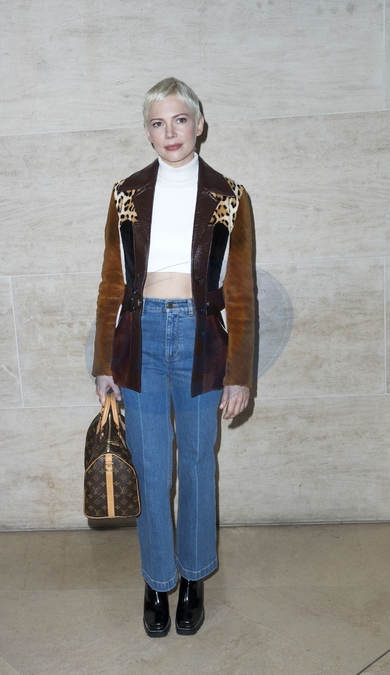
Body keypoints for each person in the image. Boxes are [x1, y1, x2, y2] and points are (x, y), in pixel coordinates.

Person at [92, 77, 255, 637]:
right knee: (151, 466)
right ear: (147, 132)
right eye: (158, 123)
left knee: (198, 462)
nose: (170, 132)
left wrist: (239, 373)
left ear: (199, 124)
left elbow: (241, 292)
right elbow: (112, 282)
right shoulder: (126, 194)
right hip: (139, 340)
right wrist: (103, 362)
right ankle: (157, 580)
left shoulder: (229, 196)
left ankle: (193, 578)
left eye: (180, 120)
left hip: (201, 339)